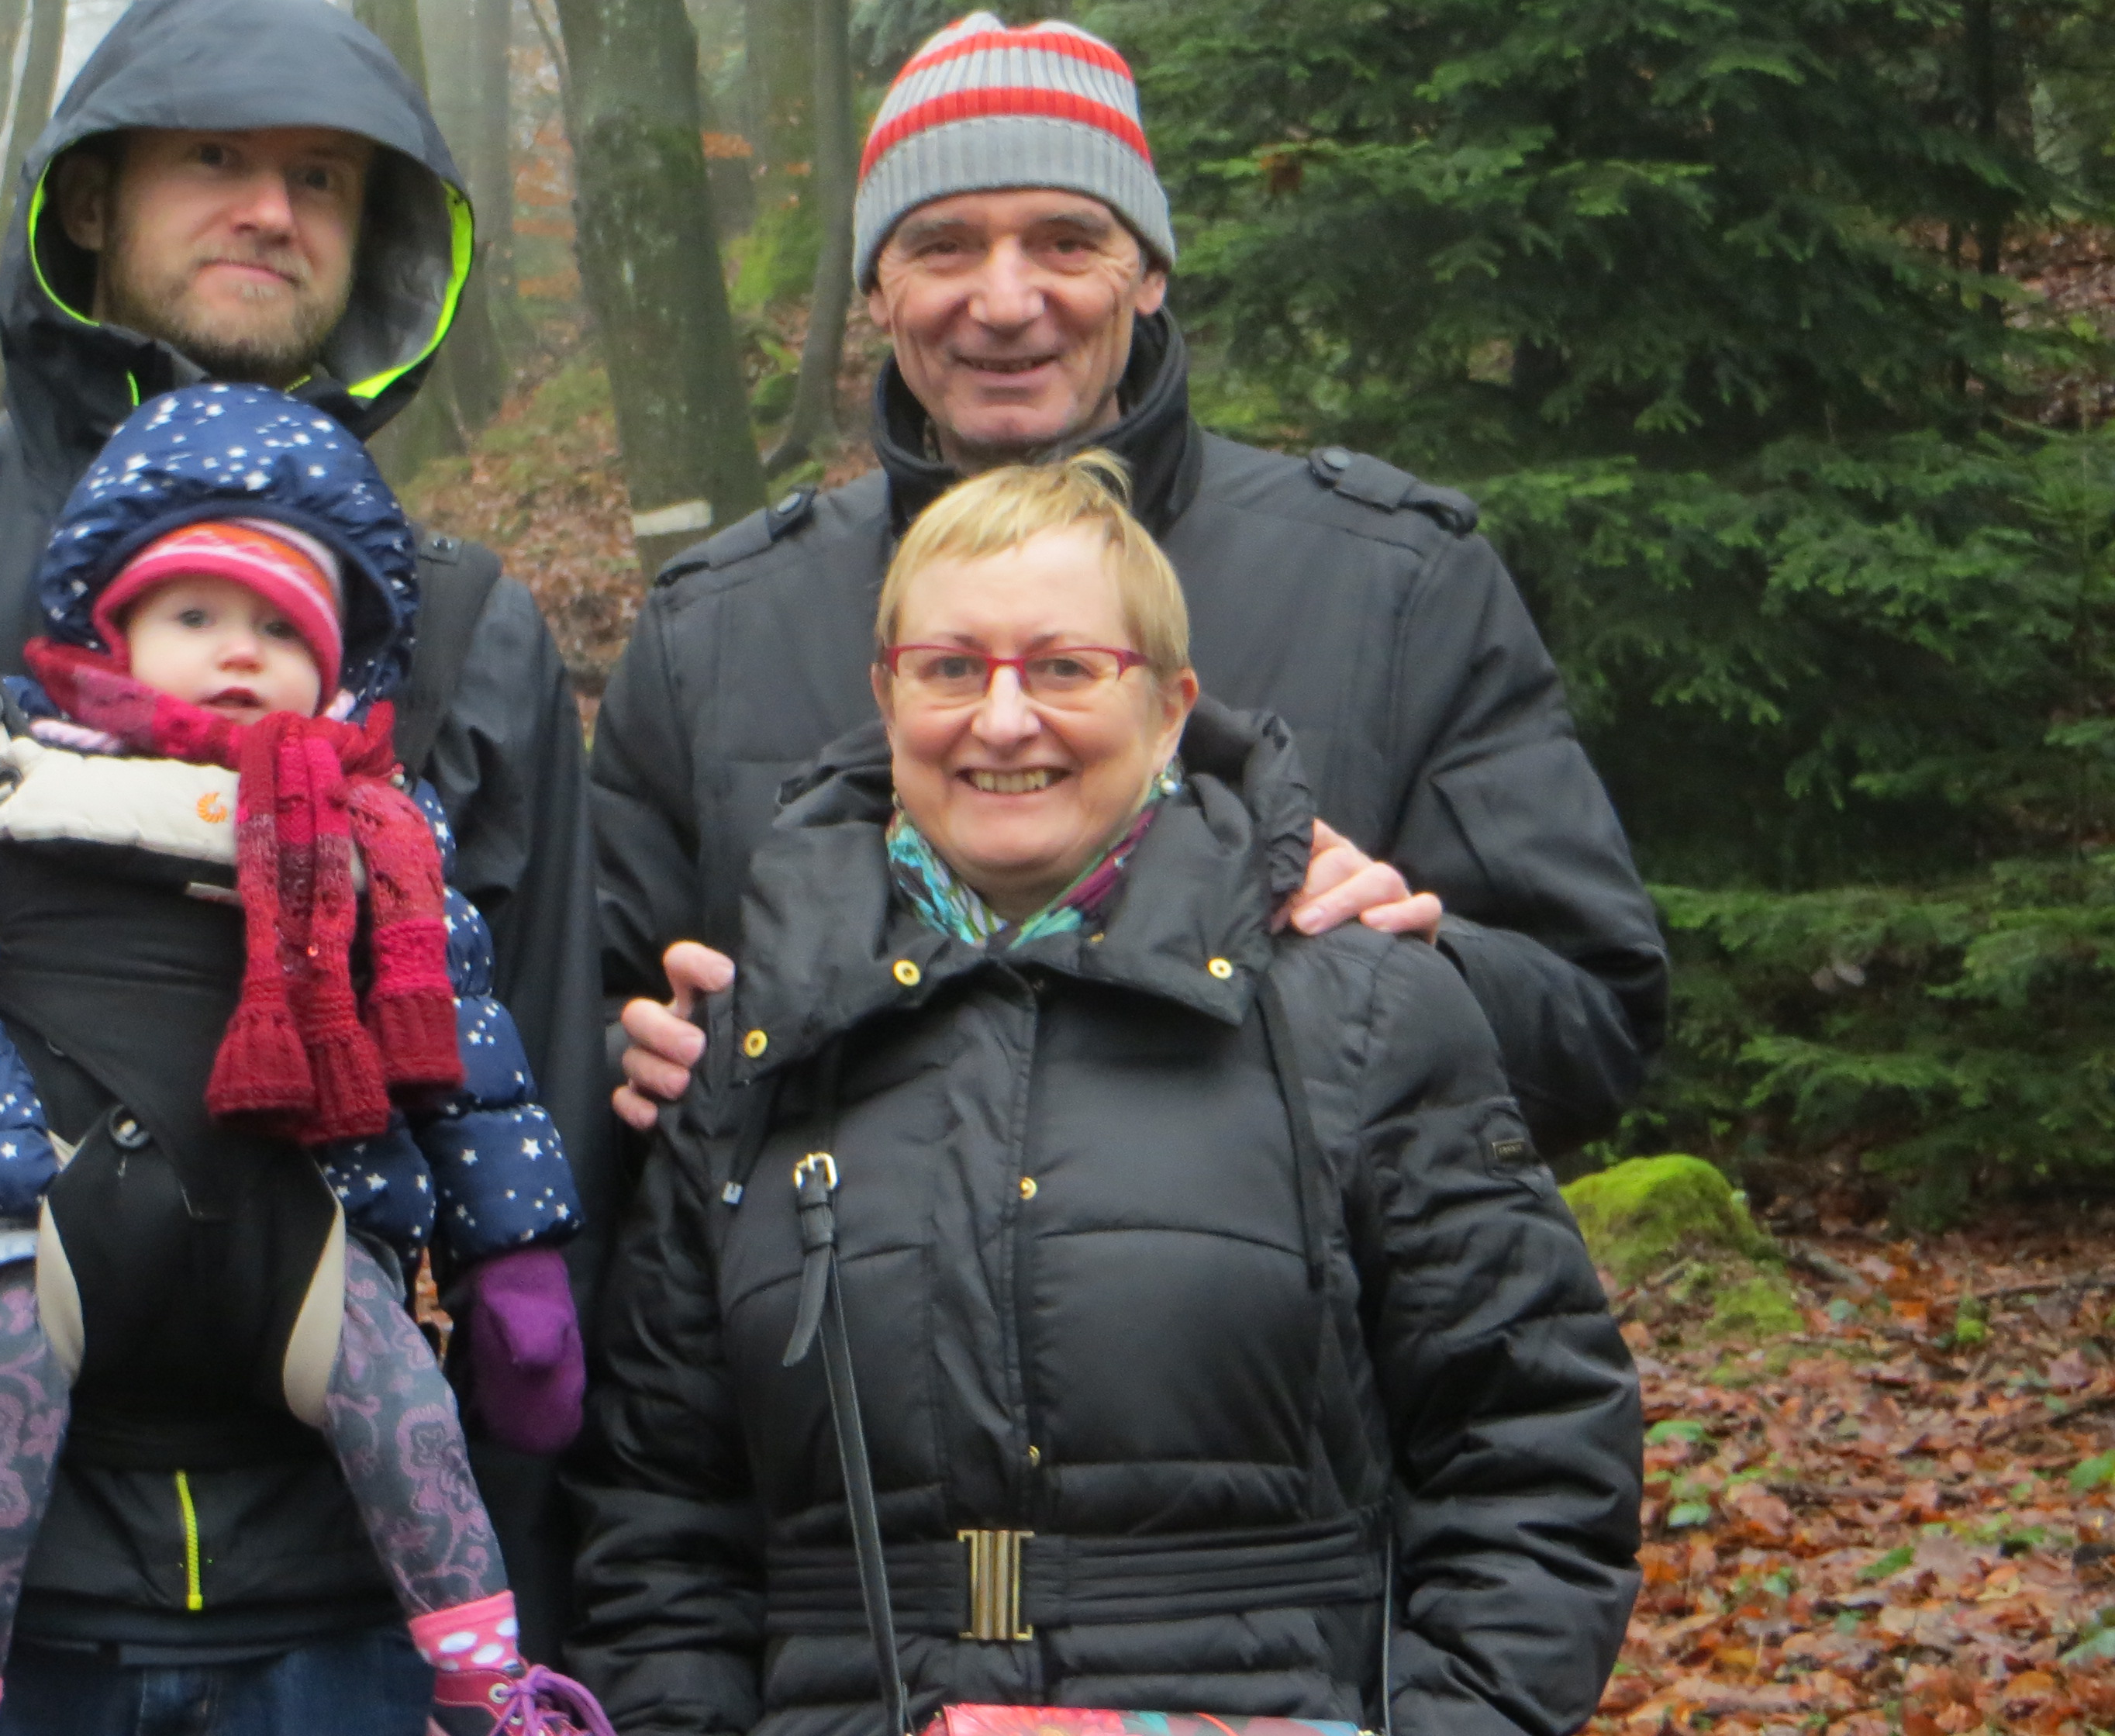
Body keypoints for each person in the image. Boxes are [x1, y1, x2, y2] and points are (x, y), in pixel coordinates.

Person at [0, 0, 606, 1736]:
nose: (271, 209)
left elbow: (541, 1122)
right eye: (213, 158)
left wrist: (524, 1645)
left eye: (323, 177)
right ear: (87, 200)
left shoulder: (461, 635)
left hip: (355, 1625)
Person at [574, 455, 1643, 1734]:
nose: (1003, 719)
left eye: (1066, 668)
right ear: (886, 695)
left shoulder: (1359, 1017)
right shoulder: (756, 1047)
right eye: (950, 667)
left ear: (1171, 705)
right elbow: (659, 1519)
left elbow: (1533, 1448)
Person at [598, 11, 1666, 1154]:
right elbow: (572, 1020)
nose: (1005, 301)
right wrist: (627, 1055)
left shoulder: (1393, 586)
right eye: (944, 246)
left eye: (1066, 242)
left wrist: (1421, 964)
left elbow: (1595, 1024)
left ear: (1149, 272)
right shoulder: (715, 631)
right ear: (875, 290)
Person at [0, 385, 606, 1736]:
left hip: (298, 1224)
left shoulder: (379, 829)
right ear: (117, 622)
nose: (239, 651)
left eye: (282, 627)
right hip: (26, 1215)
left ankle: (485, 1683)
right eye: (196, 614)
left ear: (341, 659)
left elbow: (471, 1057)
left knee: (402, 1401)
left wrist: (516, 1262)